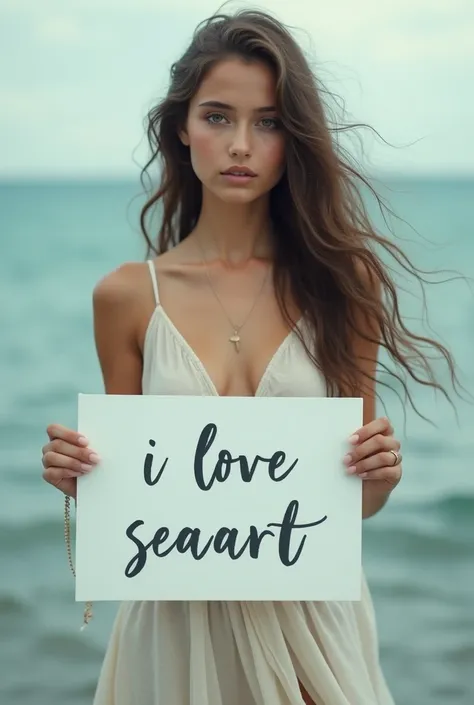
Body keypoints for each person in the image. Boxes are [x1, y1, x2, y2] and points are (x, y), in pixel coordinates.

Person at [40, 8, 459, 705]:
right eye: (217, 117)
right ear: (181, 127)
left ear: (292, 138)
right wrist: (79, 475)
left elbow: (358, 499)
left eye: (267, 122)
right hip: (174, 625)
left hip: (310, 622)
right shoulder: (126, 297)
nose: (240, 144)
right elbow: (130, 493)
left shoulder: (338, 286)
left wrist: (380, 472)